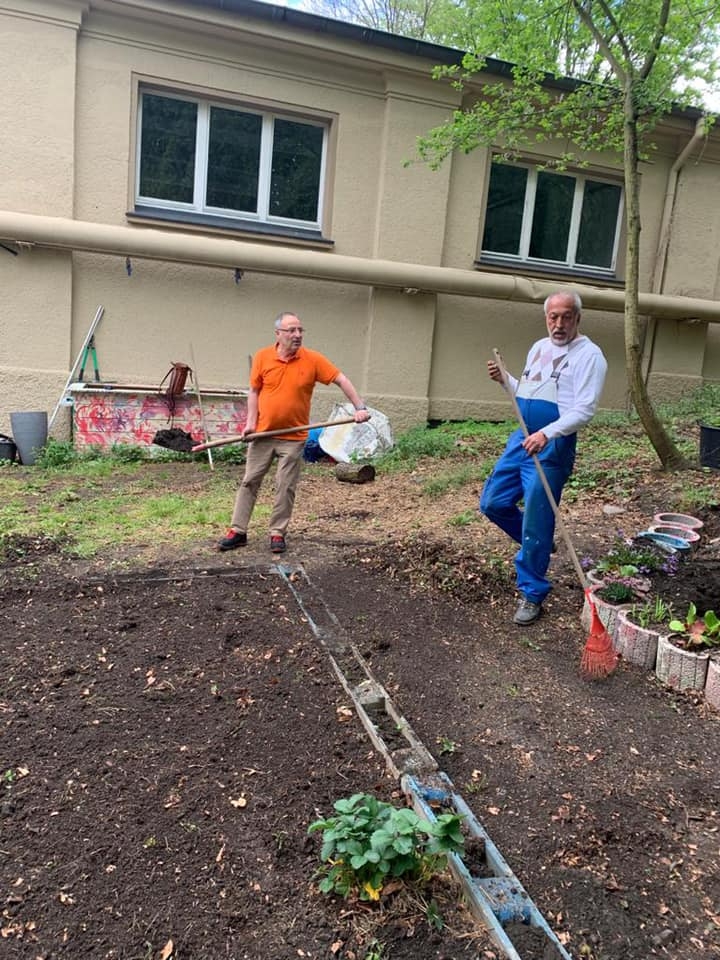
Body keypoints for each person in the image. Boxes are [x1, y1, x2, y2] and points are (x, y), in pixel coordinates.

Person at [480, 291, 607, 624]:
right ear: (546, 318)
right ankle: (537, 540)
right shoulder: (539, 348)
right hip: (522, 439)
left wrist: (546, 434)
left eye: (566, 317)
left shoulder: (590, 356)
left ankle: (532, 592)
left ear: (577, 318)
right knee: (492, 502)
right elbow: (526, 391)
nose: (559, 323)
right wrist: (504, 381)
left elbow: (584, 410)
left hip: (551, 446)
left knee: (538, 515)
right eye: (553, 316)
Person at [218, 312, 371, 554]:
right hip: (262, 435)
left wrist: (359, 408)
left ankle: (277, 533)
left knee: (285, 485)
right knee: (249, 481)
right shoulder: (263, 357)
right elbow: (254, 391)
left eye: (300, 330)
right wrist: (250, 422)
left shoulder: (312, 360)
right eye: (291, 330)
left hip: (293, 437)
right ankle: (238, 531)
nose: (297, 335)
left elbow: (341, 380)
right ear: (278, 334)